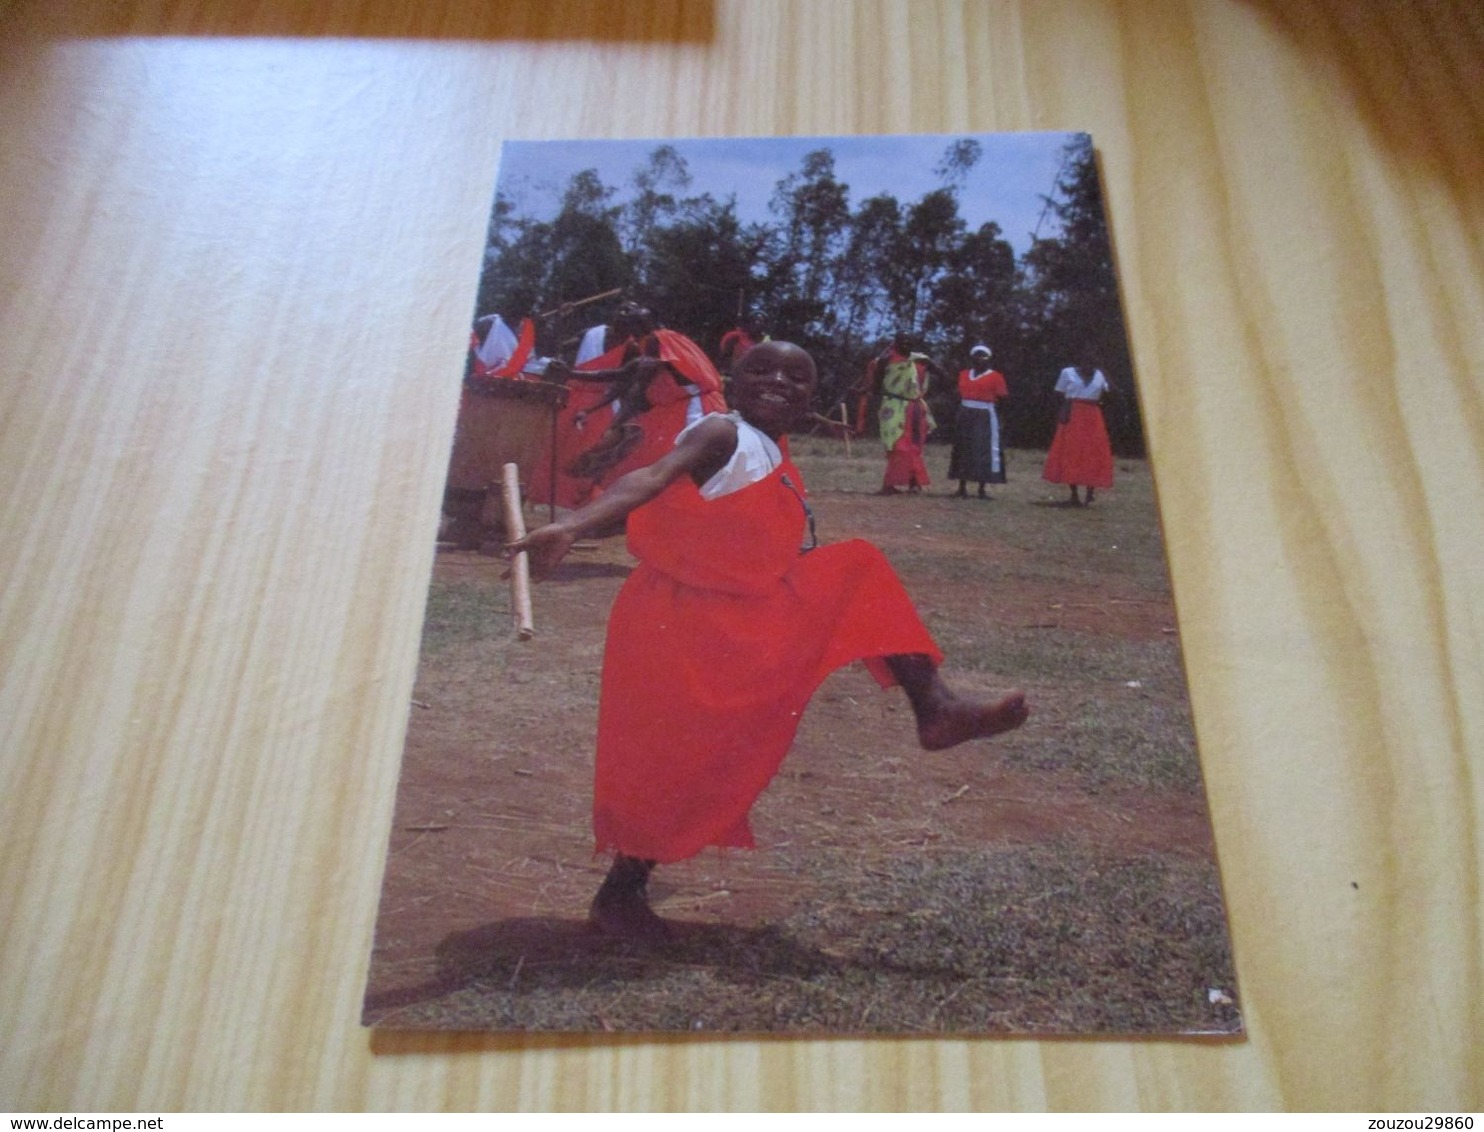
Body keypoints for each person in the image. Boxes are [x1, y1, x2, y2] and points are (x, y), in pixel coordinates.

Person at [508, 341, 1029, 943]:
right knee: (678, 759)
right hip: (681, 620)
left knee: (853, 574)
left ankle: (935, 706)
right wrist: (573, 526)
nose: (778, 381)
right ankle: (621, 892)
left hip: (743, 612)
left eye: (797, 376)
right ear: (731, 380)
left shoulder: (770, 449)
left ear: (812, 398)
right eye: (761, 369)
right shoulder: (720, 434)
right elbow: (648, 479)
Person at [874, 333, 944, 494]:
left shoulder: (921, 360)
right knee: (896, 445)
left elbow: (942, 374)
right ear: (895, 344)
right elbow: (876, 386)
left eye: (909, 342)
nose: (906, 345)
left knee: (914, 446)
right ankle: (890, 484)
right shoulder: (885, 361)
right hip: (892, 406)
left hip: (914, 407)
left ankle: (914, 483)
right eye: (902, 342)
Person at [1042, 361, 1114, 506]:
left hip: (1092, 414)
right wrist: (1063, 412)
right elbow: (1058, 394)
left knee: (1093, 452)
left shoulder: (1100, 374)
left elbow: (1110, 391)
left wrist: (1106, 373)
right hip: (1073, 413)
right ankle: (1074, 493)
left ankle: (1090, 493)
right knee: (1071, 452)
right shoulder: (1067, 372)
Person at [948, 344, 1009, 499]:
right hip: (965, 412)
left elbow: (1002, 399)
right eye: (977, 355)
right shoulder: (963, 374)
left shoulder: (996, 376)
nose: (980, 359)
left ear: (989, 359)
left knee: (983, 450)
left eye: (983, 356)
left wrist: (999, 418)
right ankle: (962, 487)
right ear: (972, 358)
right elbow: (958, 394)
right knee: (963, 448)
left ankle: (981, 488)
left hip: (985, 415)